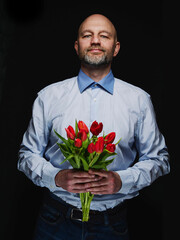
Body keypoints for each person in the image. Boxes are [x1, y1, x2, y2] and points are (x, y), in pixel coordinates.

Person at [18, 14, 170, 240]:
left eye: (104, 36)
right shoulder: (48, 97)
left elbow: (160, 160)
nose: (95, 41)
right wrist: (56, 176)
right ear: (77, 46)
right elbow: (26, 156)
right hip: (54, 220)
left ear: (115, 48)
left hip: (112, 224)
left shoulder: (139, 100)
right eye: (87, 35)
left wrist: (121, 181)